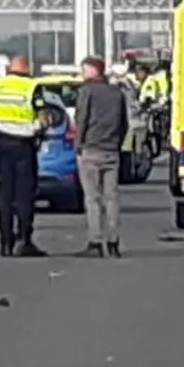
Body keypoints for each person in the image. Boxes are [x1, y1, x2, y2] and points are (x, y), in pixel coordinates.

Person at [71, 56, 131, 258]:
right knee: (111, 198)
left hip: (91, 148)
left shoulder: (87, 91)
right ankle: (113, 242)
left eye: (84, 70)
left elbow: (82, 119)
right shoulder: (117, 93)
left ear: (92, 70)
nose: (82, 74)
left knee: (92, 198)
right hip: (111, 150)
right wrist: (117, 143)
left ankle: (95, 241)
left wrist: (78, 145)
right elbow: (124, 123)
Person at [0, 55, 45, 258]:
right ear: (28, 68)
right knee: (24, 195)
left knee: (5, 195)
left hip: (2, 142)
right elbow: (43, 117)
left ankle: (5, 242)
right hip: (24, 144)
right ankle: (23, 240)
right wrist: (40, 128)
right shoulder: (32, 86)